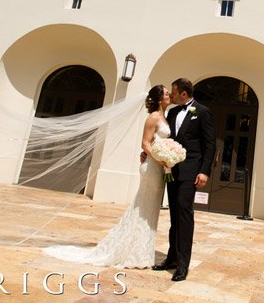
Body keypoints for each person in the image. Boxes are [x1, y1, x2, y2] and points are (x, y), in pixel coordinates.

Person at [42, 85, 171, 268]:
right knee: (144, 207)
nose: (169, 96)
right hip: (152, 167)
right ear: (159, 99)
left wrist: (166, 156)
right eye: (166, 94)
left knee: (149, 209)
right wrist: (160, 158)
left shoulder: (164, 117)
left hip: (158, 168)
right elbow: (145, 144)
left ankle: (141, 251)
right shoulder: (153, 118)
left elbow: (158, 142)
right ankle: (135, 253)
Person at [151, 78, 215, 282]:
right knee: (174, 216)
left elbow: (210, 145)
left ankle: (183, 265)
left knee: (184, 214)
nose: (171, 95)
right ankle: (172, 258)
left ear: (184, 94)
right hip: (172, 170)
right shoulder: (173, 112)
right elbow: (167, 140)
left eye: (174, 92)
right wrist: (152, 153)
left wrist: (204, 171)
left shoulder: (202, 112)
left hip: (191, 172)